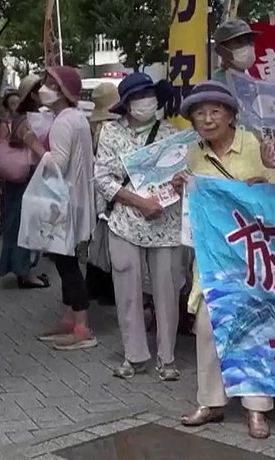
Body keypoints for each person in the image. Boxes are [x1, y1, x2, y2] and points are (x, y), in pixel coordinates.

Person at [171, 81, 275, 439]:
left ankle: (256, 409)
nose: (207, 119)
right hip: (212, 256)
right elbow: (194, 204)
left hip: (255, 256)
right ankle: (211, 402)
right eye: (199, 114)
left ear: (231, 114)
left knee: (255, 329)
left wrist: (263, 185)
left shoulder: (256, 145)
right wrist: (181, 186)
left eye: (215, 111)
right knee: (207, 327)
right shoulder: (194, 154)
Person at [94, 73, 184, 381]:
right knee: (127, 290)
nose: (145, 101)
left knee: (167, 290)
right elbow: (102, 179)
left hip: (165, 221)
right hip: (124, 221)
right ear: (126, 103)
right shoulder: (111, 132)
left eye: (149, 95)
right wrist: (138, 202)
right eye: (138, 96)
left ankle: (167, 358)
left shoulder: (171, 133)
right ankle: (133, 355)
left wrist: (177, 185)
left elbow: (182, 175)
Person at [23, 66, 98, 351]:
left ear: (63, 91)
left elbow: (58, 164)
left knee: (67, 265)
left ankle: (81, 327)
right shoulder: (75, 119)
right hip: (73, 199)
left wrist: (33, 144)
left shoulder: (64, 122)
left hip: (63, 201)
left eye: (50, 84)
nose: (44, 88)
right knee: (64, 260)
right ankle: (69, 320)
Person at [0, 78, 50, 289]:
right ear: (33, 95)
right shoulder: (26, 122)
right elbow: (36, 147)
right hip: (27, 178)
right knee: (25, 224)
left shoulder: (24, 118)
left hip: (21, 179)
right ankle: (24, 271)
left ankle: (22, 268)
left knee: (18, 223)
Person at [85, 82, 120, 306]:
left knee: (98, 240)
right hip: (111, 189)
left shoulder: (94, 127)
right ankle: (107, 291)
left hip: (97, 189)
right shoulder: (113, 128)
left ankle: (94, 286)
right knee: (109, 243)